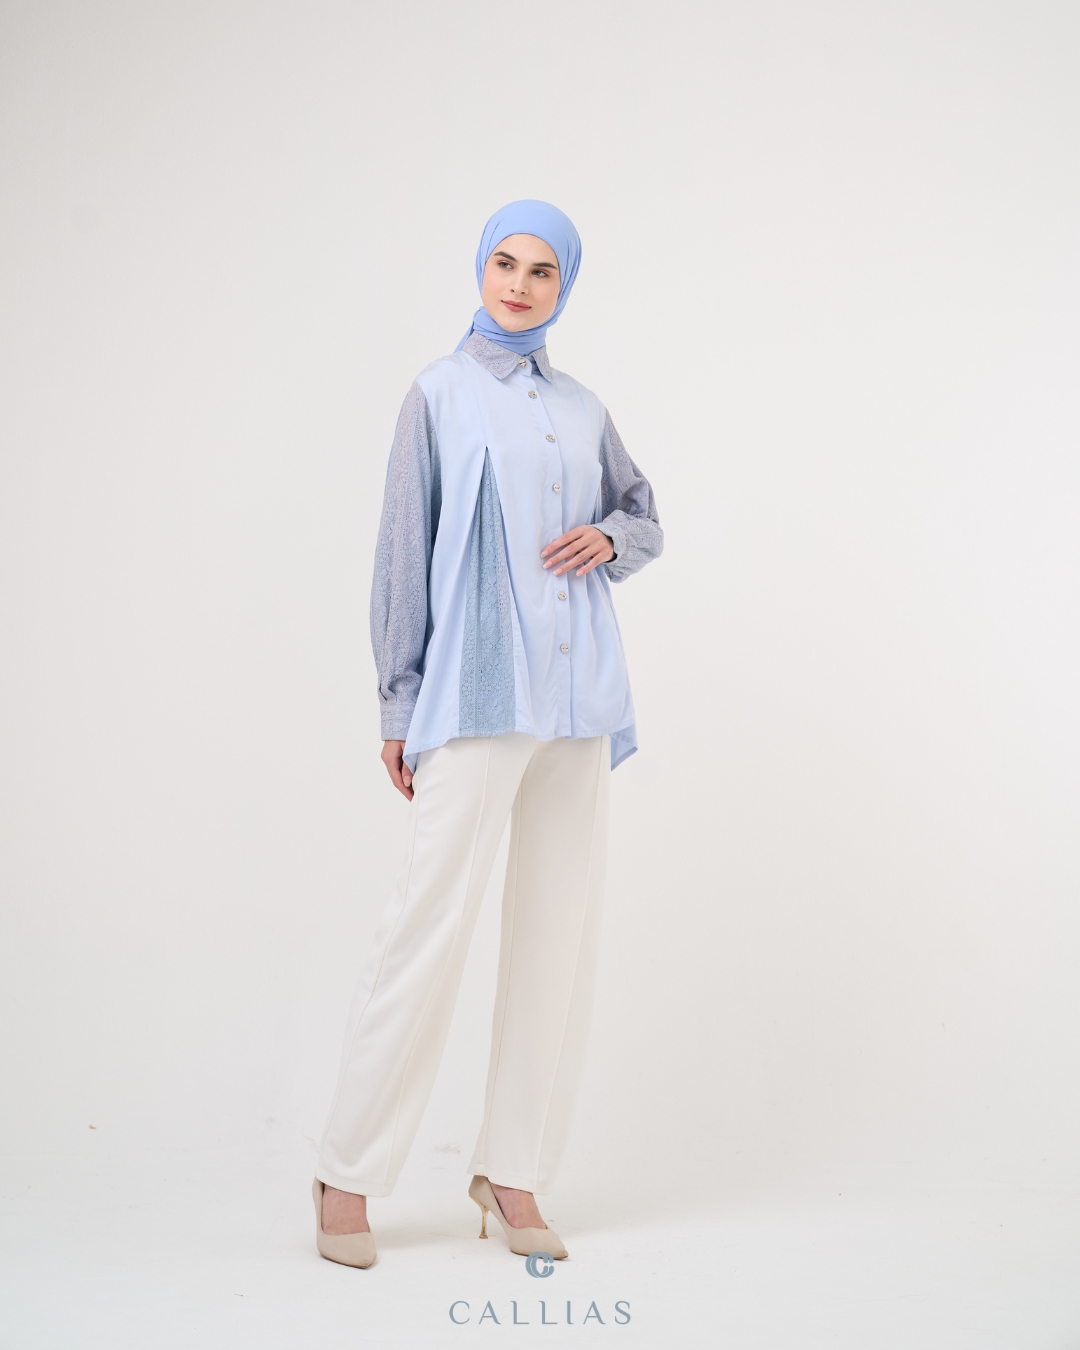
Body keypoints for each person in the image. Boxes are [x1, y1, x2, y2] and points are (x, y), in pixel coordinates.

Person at [311, 200, 663, 1268]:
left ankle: (511, 1175)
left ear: (565, 286)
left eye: (542, 271)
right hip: (475, 695)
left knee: (558, 935)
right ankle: (346, 1171)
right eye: (504, 263)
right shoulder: (438, 393)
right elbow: (401, 550)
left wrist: (609, 538)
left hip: (577, 700)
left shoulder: (585, 408)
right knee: (426, 926)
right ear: (480, 269)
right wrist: (398, 701)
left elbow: (645, 516)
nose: (518, 284)